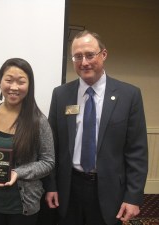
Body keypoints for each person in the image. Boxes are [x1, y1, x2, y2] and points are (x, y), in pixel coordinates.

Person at [44, 30, 148, 225]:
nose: (84, 62)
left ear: (104, 54)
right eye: (77, 56)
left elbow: (137, 152)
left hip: (109, 191)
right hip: (68, 189)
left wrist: (133, 197)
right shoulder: (61, 95)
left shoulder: (129, 95)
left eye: (90, 55)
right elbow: (52, 146)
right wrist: (51, 185)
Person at [0, 58, 55, 225]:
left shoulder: (39, 121)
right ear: (0, 81)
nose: (14, 87)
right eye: (8, 80)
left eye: (21, 82)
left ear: (29, 85)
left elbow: (48, 162)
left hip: (22, 206)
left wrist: (18, 172)